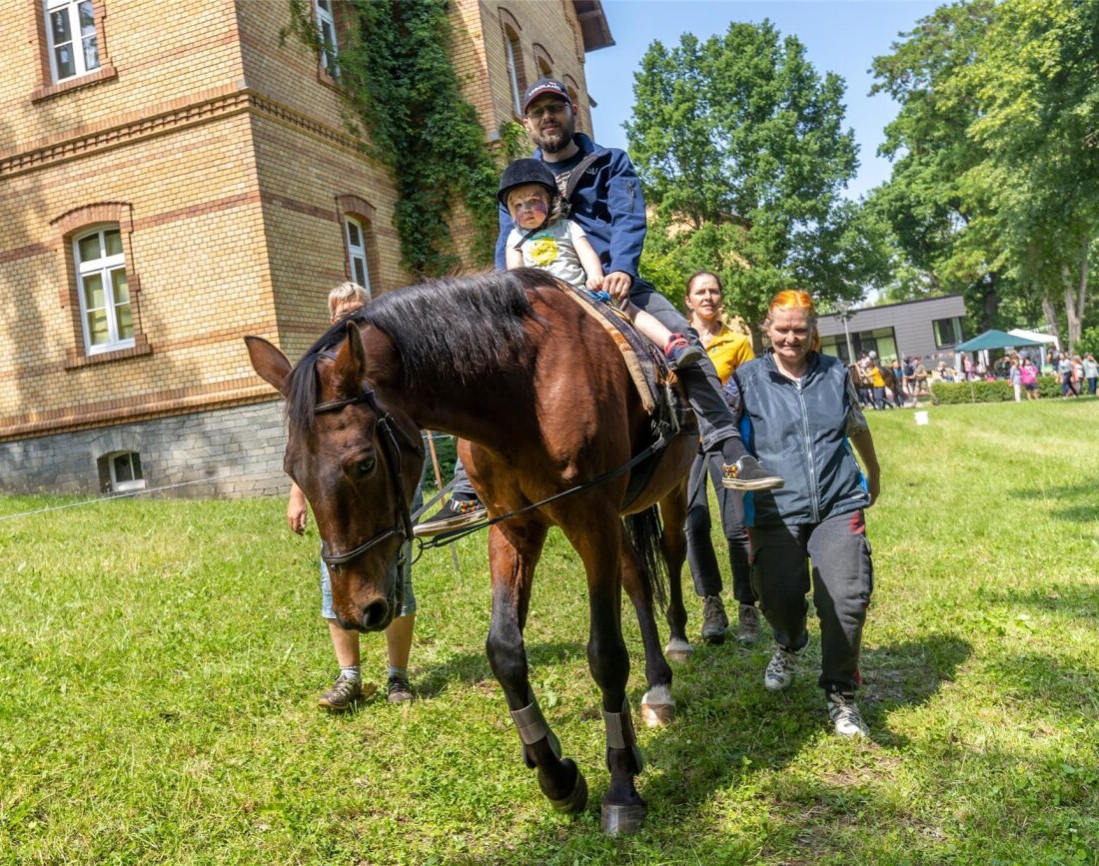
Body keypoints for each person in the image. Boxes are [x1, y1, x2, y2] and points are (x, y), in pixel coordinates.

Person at [416, 77, 783, 536]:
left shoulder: (610, 163)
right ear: (527, 123)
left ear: (573, 113)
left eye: (556, 108)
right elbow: (505, 241)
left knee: (686, 341)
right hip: (534, 293)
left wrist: (623, 270)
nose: (548, 117)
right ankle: (466, 491)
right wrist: (501, 297)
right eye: (538, 111)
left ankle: (731, 452)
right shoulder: (519, 180)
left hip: (609, 282)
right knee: (479, 362)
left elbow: (628, 219)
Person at [726, 290, 881, 739]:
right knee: (778, 598)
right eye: (782, 329)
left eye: (800, 329)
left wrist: (873, 470)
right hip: (775, 509)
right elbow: (721, 434)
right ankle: (790, 642)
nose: (790, 338)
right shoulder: (746, 379)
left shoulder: (835, 373)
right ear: (766, 329)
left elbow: (856, 423)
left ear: (814, 330)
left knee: (847, 599)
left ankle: (841, 696)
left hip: (838, 500)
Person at [289, 282, 421, 710]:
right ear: (332, 319)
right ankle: (349, 677)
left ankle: (397, 676)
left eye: (358, 310)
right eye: (343, 311)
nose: (350, 317)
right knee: (336, 573)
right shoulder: (319, 372)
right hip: (340, 499)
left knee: (398, 577)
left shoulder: (383, 365)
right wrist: (297, 495)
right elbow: (312, 448)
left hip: (389, 487)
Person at [499, 158, 702, 369]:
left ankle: (670, 342)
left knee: (623, 306)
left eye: (533, 201)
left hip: (578, 292)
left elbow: (586, 253)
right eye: (518, 206)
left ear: (551, 200)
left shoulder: (567, 227)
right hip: (540, 300)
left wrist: (595, 275)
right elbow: (516, 273)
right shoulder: (515, 238)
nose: (527, 210)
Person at [681, 270, 759, 644]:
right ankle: (711, 604)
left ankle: (748, 606)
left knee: (736, 526)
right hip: (685, 448)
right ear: (689, 301)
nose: (708, 297)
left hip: (725, 442)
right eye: (700, 292)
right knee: (694, 525)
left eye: (713, 291)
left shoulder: (738, 342)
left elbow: (750, 392)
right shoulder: (675, 340)